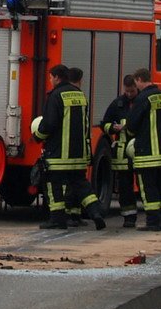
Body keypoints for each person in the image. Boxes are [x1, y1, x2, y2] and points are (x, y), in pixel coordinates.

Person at [33, 64, 106, 230]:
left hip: (59, 155)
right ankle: (96, 213)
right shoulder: (80, 95)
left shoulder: (55, 96)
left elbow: (49, 123)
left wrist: (38, 136)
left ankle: (57, 220)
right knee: (82, 185)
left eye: (51, 77)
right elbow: (86, 125)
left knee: (54, 187)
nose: (50, 80)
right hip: (78, 154)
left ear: (57, 77)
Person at [126, 68, 161, 231]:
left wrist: (132, 134)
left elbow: (132, 125)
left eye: (136, 83)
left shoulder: (142, 98)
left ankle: (153, 222)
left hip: (146, 153)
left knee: (149, 189)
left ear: (139, 79)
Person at [101, 75, 139, 228]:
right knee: (125, 187)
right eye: (127, 91)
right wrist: (112, 128)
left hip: (140, 151)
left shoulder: (142, 102)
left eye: (132, 91)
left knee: (145, 186)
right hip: (122, 155)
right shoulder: (118, 104)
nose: (129, 94)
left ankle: (152, 216)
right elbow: (104, 123)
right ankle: (129, 217)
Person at [65, 66, 91, 226]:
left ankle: (69, 215)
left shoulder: (60, 95)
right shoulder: (82, 97)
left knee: (68, 185)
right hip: (80, 150)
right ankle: (76, 215)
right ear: (80, 80)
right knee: (78, 184)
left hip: (64, 152)